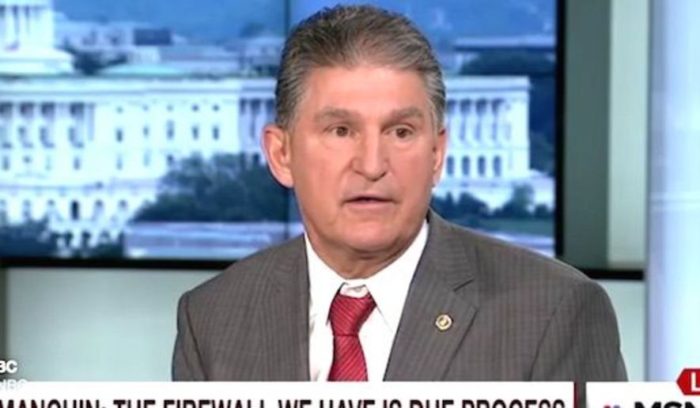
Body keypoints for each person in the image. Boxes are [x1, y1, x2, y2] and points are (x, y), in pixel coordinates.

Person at [172, 4, 627, 383]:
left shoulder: (553, 313)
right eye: (341, 130)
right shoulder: (211, 318)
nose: (372, 164)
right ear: (281, 154)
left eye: (401, 132)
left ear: (437, 154)